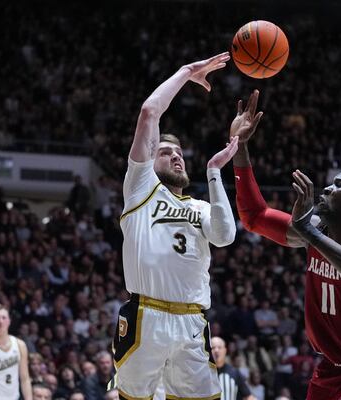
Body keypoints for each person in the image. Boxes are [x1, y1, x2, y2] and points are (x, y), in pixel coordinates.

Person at [230, 90, 341, 399]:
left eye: (339, 184)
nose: (327, 187)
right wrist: (240, 148)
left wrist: (312, 235)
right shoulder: (314, 229)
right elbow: (254, 216)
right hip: (329, 371)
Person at [113, 52, 237, 400]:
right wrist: (185, 72)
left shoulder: (198, 207)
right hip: (146, 316)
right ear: (149, 160)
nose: (176, 156)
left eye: (179, 152)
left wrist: (214, 172)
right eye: (165, 152)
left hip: (192, 321)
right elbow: (150, 112)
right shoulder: (141, 188)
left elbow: (226, 235)